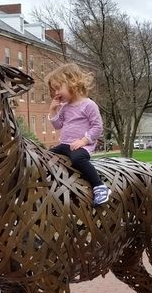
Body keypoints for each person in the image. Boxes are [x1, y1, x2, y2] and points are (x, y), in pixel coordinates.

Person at [46, 63, 111, 206]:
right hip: (64, 145)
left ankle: (99, 186)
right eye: (53, 89)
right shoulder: (64, 107)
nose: (55, 93)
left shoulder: (88, 105)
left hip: (81, 146)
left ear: (72, 83)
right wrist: (53, 111)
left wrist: (84, 141)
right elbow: (58, 125)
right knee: (46, 157)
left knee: (77, 159)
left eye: (58, 88)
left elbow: (97, 127)